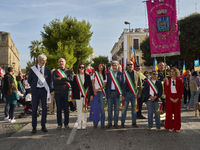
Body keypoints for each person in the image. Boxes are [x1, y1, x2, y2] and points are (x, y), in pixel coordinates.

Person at [28, 54, 51, 134]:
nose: (44, 62)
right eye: (42, 60)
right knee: (34, 109)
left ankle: (43, 125)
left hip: (44, 91)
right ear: (38, 60)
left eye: (45, 60)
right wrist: (34, 86)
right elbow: (29, 80)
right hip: (36, 91)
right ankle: (34, 127)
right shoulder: (33, 69)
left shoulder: (48, 70)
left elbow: (49, 81)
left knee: (44, 109)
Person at [52, 58, 74, 131]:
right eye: (59, 61)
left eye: (62, 61)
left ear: (65, 62)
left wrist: (61, 79)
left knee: (66, 109)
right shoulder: (55, 72)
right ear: (58, 63)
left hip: (66, 93)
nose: (61, 63)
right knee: (58, 109)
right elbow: (54, 81)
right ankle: (59, 125)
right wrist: (65, 79)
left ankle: (66, 124)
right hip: (58, 92)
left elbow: (71, 79)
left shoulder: (69, 71)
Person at [121, 61, 142, 128]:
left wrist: (140, 93)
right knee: (124, 109)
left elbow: (140, 85)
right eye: (128, 64)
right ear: (127, 66)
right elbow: (122, 86)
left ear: (133, 65)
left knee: (134, 109)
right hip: (126, 93)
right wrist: (123, 95)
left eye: (131, 64)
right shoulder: (124, 74)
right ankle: (122, 122)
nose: (130, 65)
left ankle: (134, 122)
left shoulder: (137, 73)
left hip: (134, 94)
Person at [72, 63, 94, 129]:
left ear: (84, 68)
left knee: (84, 110)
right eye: (80, 67)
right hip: (77, 95)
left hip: (85, 95)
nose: (81, 69)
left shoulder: (87, 76)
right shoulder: (75, 77)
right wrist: (73, 97)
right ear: (78, 68)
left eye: (83, 67)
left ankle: (84, 122)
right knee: (78, 110)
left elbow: (90, 86)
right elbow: (73, 87)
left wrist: (92, 95)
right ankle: (79, 123)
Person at [105, 61, 125, 129]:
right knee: (109, 109)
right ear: (112, 66)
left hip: (118, 94)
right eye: (113, 65)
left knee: (117, 109)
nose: (114, 66)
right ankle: (109, 123)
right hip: (110, 93)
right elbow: (106, 85)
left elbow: (123, 85)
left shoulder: (121, 74)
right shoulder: (108, 74)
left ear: (118, 66)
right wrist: (106, 94)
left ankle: (116, 123)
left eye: (116, 65)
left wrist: (123, 95)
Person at [164, 67, 183, 133]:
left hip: (177, 98)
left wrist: (177, 98)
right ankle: (170, 126)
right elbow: (166, 91)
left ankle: (177, 127)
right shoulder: (167, 80)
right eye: (171, 71)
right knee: (169, 113)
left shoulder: (179, 81)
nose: (172, 73)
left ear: (176, 72)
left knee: (177, 113)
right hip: (170, 98)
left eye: (173, 71)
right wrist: (170, 98)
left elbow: (181, 91)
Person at [91, 63, 107, 129]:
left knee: (102, 109)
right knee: (95, 108)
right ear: (97, 67)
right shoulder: (94, 74)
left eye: (102, 66)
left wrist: (97, 89)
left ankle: (102, 124)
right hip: (95, 93)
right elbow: (92, 83)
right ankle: (95, 123)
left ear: (103, 68)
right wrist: (94, 90)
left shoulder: (105, 75)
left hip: (102, 93)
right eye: (99, 66)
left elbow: (104, 84)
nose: (100, 67)